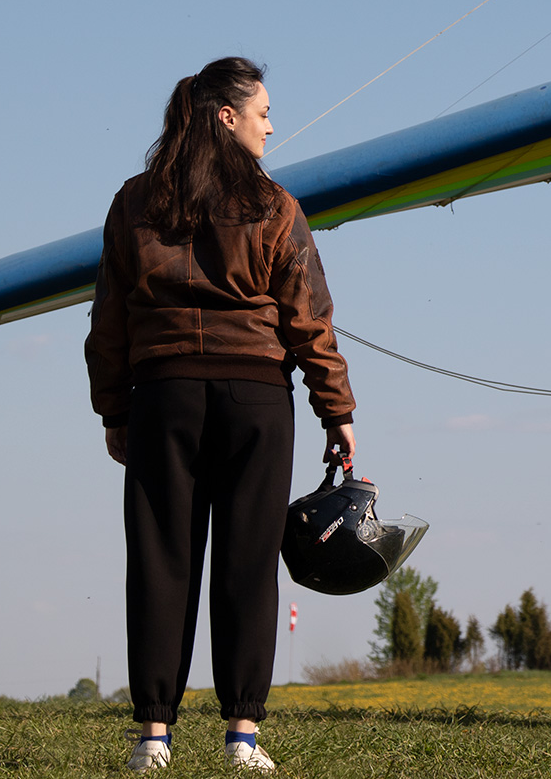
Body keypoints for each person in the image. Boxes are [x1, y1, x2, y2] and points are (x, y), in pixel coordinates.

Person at [85, 57, 356, 773]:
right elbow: (310, 321)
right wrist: (338, 410)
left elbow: (108, 321)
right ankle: (242, 735)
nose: (273, 123)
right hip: (256, 399)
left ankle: (153, 737)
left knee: (160, 563)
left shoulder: (134, 202)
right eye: (263, 111)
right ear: (226, 117)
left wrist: (115, 409)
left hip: (162, 396)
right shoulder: (277, 207)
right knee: (246, 565)